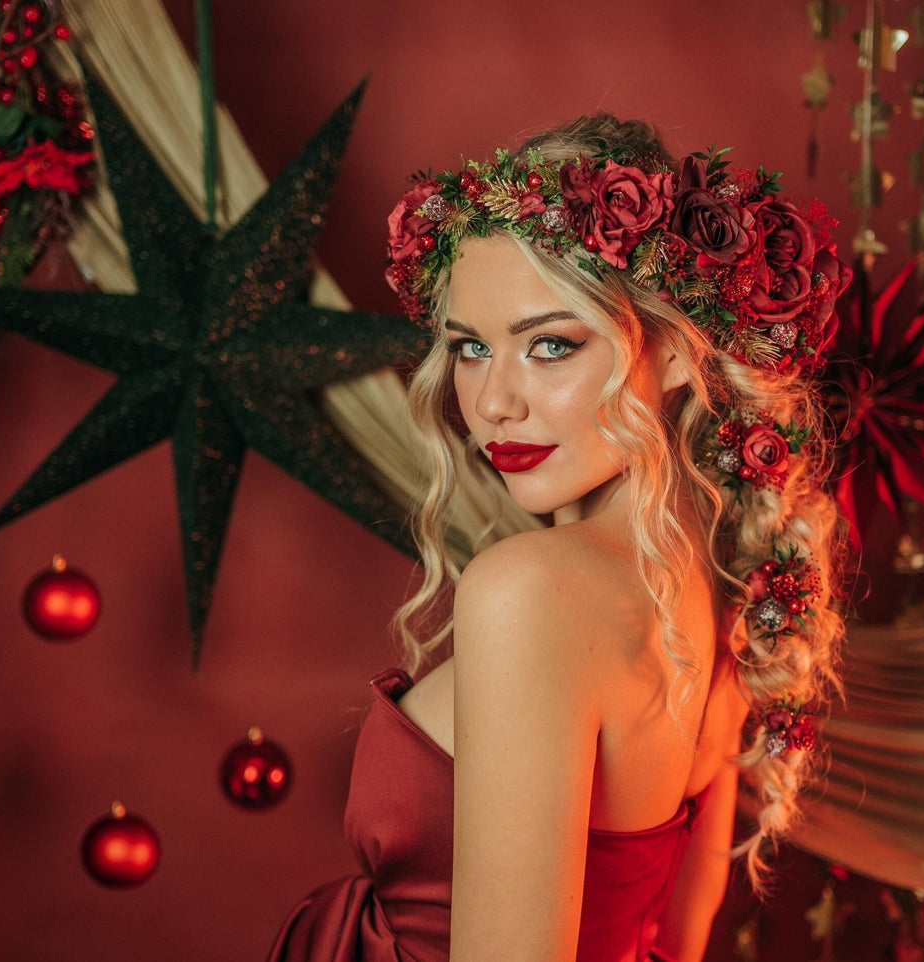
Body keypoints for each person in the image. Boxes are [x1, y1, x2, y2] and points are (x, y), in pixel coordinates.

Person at [268, 113, 851, 962]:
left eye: (548, 345)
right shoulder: (722, 588)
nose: (494, 402)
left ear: (683, 352)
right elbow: (674, 945)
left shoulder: (532, 590)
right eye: (469, 348)